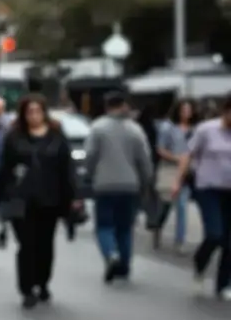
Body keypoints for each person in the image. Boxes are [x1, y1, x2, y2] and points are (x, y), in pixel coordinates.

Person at [0, 94, 80, 308]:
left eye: (38, 111)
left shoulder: (57, 137)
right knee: (26, 245)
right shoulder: (14, 137)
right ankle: (27, 288)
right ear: (23, 114)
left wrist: (73, 196)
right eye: (30, 112)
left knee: (45, 244)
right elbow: (5, 168)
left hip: (50, 199)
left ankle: (43, 282)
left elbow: (67, 169)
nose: (34, 116)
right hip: (22, 199)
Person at [86, 91, 153, 283]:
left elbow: (90, 156)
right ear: (124, 105)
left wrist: (90, 175)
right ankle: (124, 265)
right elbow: (144, 159)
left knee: (104, 225)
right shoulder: (135, 129)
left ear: (107, 107)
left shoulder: (97, 127)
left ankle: (110, 254)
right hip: (130, 185)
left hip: (104, 184)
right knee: (125, 227)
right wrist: (146, 181)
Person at [172, 93, 231, 300]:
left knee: (229, 242)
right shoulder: (207, 130)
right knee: (215, 234)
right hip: (208, 188)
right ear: (226, 111)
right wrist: (178, 181)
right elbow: (187, 155)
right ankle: (199, 265)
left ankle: (223, 284)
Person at [155, 98, 196, 249]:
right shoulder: (168, 127)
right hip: (171, 169)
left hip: (187, 172)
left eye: (189, 109)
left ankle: (180, 240)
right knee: (166, 204)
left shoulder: (195, 129)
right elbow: (160, 148)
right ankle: (157, 226)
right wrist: (176, 158)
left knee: (182, 206)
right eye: (184, 109)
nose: (187, 113)